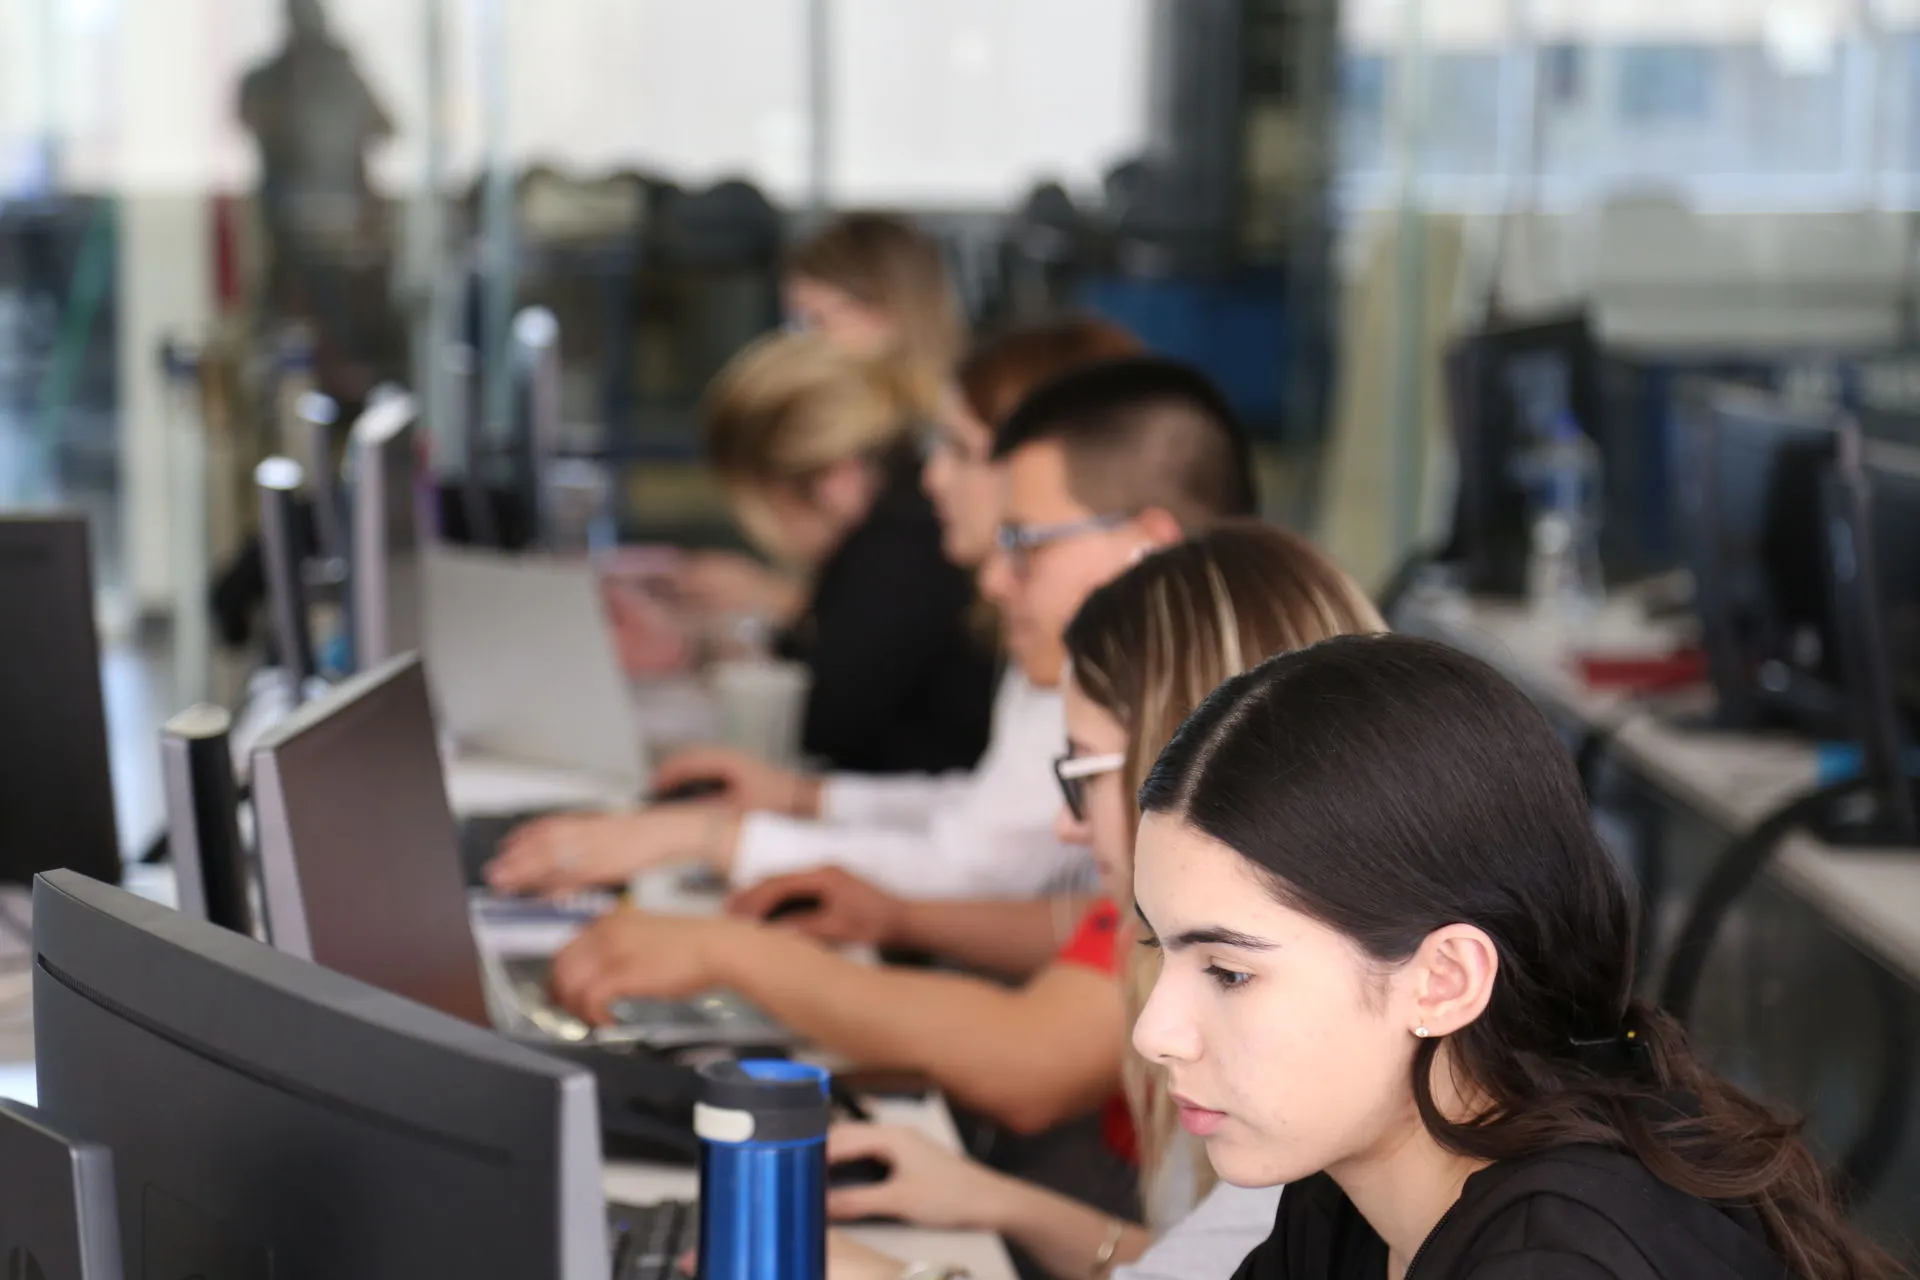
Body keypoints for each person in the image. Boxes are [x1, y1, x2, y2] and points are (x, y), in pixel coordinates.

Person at [1125, 633, 1903, 1280]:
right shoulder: (1351, 1196)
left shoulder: (1557, 1261)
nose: (1155, 1032)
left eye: (1229, 972)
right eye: (1160, 948)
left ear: (1446, 981)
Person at [731, 523, 1384, 1280]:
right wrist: (999, 1204)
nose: (1067, 825)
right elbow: (1209, 1266)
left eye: (1084, 773)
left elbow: (1023, 1062)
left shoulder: (1313, 1060)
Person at [488, 353, 1253, 900]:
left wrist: (720, 842)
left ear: (1146, 542)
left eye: (1024, 543)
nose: (990, 578)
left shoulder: (1202, 745)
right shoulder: (1084, 671)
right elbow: (982, 819)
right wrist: (800, 803)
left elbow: (981, 871)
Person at [785, 210, 964, 409]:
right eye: (798, 323)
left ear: (885, 315)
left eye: (817, 321)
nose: (799, 341)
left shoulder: (953, 424)